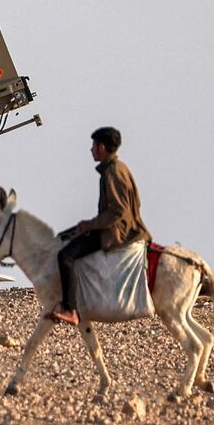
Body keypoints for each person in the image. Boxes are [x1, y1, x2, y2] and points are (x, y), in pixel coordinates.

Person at [50, 126, 151, 326]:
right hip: (120, 227)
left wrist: (91, 225)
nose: (91, 150)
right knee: (63, 236)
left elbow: (117, 211)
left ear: (102, 148)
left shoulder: (112, 172)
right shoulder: (118, 168)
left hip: (116, 232)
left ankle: (70, 309)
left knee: (66, 255)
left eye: (94, 146)